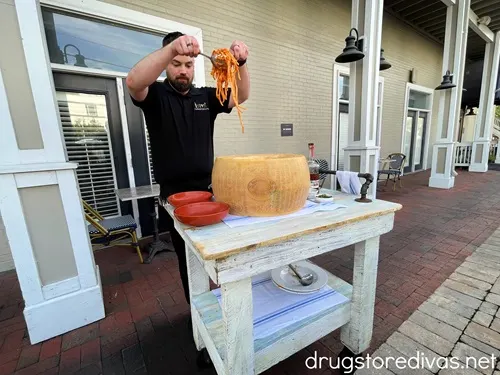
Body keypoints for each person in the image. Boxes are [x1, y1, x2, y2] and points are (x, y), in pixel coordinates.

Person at [126, 32, 250, 303]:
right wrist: (171, 48)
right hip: (175, 197)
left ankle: (227, 304)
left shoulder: (205, 96)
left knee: (221, 250)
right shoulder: (155, 95)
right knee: (189, 259)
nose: (183, 71)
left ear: (195, 66)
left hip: (209, 190)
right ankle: (198, 314)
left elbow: (240, 95)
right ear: (167, 62)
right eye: (176, 63)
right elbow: (133, 81)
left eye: (188, 65)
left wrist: (239, 64)